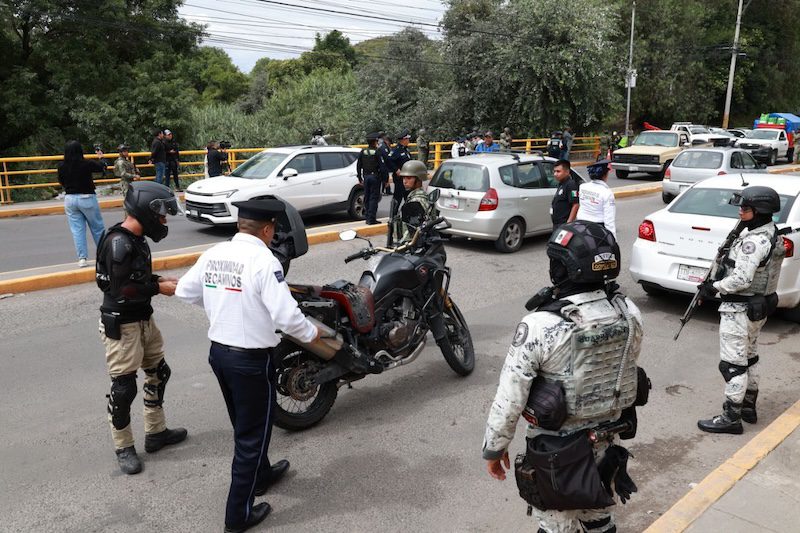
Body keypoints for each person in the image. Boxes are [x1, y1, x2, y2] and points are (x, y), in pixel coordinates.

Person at [483, 220, 645, 533]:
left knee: (557, 526)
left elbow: (511, 395)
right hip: (607, 441)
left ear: (564, 268)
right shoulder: (629, 312)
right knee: (599, 519)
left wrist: (495, 446)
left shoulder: (541, 325)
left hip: (556, 454)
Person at [175, 199, 320, 533]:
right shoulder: (264, 260)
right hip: (250, 360)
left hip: (220, 355)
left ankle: (262, 474)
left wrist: (220, 305)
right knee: (251, 436)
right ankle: (237, 515)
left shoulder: (215, 253)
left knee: (248, 423)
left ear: (242, 225)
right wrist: (312, 335)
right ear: (267, 230)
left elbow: (184, 290)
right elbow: (287, 317)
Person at [95, 181, 186, 475]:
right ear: (147, 211)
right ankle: (123, 447)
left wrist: (158, 280)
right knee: (124, 388)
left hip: (143, 319)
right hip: (122, 324)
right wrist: (158, 288)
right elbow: (123, 289)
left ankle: (156, 431)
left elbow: (135, 277)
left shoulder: (137, 239)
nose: (163, 221)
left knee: (159, 372)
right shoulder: (118, 242)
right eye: (161, 215)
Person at [696, 186, 785, 434]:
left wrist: (713, 287)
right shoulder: (771, 233)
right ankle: (748, 407)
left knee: (733, 365)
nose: (740, 211)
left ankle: (731, 417)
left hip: (740, 309)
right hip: (757, 306)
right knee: (750, 357)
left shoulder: (754, 242)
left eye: (745, 208)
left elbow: (742, 279)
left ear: (759, 211)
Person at [57, 140, 107, 268]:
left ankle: (82, 258)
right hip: (87, 197)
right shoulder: (86, 163)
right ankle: (104, 255)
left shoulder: (61, 165)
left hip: (70, 199)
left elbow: (61, 181)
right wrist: (101, 157)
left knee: (77, 230)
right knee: (97, 228)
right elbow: (102, 167)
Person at [392, 160, 432, 243]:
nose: (405, 181)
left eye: (409, 178)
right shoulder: (423, 196)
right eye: (404, 178)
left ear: (418, 179)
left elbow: (411, 233)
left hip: (412, 247)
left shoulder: (415, 202)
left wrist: (400, 246)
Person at [577, 159, 616, 237]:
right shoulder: (607, 193)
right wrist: (613, 239)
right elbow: (609, 221)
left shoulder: (582, 187)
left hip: (581, 226)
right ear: (605, 175)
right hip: (597, 229)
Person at [357, 133, 383, 225]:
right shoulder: (377, 152)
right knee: (373, 198)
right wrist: (385, 179)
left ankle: (367, 217)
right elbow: (382, 166)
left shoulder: (363, 152)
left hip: (366, 177)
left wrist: (360, 178)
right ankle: (372, 219)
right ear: (375, 142)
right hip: (375, 177)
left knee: (367, 197)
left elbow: (359, 165)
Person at [550, 159, 580, 229]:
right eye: (554, 171)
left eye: (558, 171)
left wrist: (568, 223)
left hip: (564, 225)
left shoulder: (571, 184)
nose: (555, 174)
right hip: (557, 224)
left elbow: (575, 205)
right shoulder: (562, 183)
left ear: (567, 172)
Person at [389, 130, 413, 212]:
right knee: (397, 198)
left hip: (408, 177)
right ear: (403, 140)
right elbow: (389, 160)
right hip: (400, 179)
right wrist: (396, 170)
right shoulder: (396, 150)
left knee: (408, 198)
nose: (408, 141)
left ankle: (408, 215)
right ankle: (393, 215)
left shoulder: (406, 150)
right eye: (407, 139)